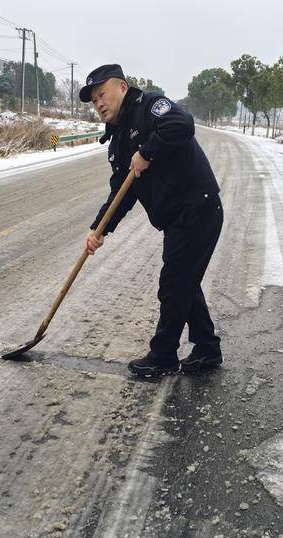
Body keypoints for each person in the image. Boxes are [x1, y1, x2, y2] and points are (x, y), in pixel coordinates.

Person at [81, 64, 223, 378]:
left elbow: (182, 123)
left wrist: (146, 152)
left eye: (102, 94)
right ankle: (207, 349)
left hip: (197, 208)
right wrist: (99, 229)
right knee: (184, 281)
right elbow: (122, 192)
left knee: (174, 283)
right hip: (178, 218)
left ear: (122, 87)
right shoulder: (118, 142)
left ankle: (163, 356)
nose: (99, 103)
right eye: (94, 100)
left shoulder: (150, 107)